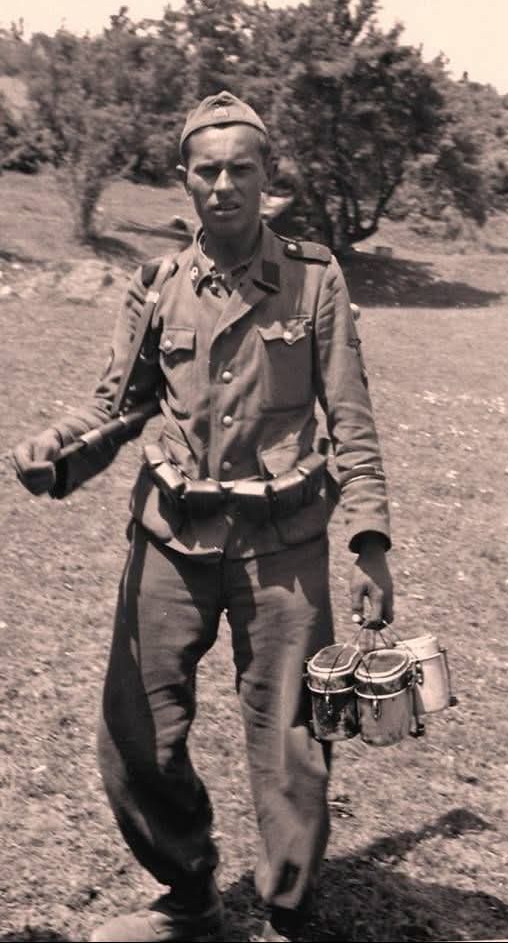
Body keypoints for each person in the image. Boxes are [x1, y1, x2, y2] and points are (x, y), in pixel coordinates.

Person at [13, 91, 393, 943]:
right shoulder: (155, 286)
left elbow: (351, 417)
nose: (223, 185)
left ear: (268, 178)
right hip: (170, 538)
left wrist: (369, 542)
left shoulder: (314, 278)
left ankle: (289, 914)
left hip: (283, 545)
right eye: (207, 170)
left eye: (240, 170)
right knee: (133, 733)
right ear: (183, 179)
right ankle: (189, 898)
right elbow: (118, 405)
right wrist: (58, 451)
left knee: (293, 743)